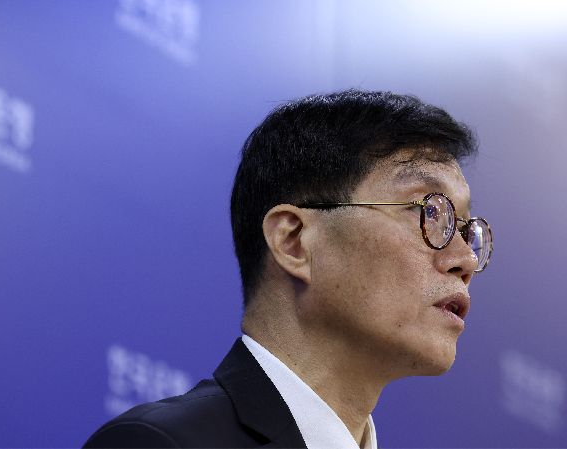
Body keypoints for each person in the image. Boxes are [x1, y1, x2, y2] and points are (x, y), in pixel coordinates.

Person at [83, 89, 493, 448]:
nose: (466, 260)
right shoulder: (162, 443)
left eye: (464, 228)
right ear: (293, 241)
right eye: (429, 212)